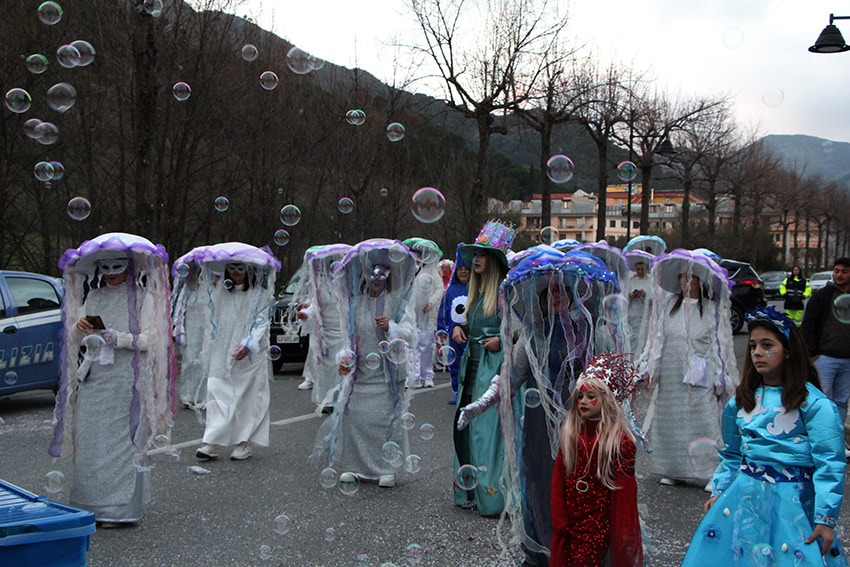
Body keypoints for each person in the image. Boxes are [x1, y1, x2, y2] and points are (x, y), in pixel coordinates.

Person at [460, 247, 635, 566]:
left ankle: (588, 552)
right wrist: (481, 404)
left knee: (587, 489)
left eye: (563, 289)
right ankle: (544, 549)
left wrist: (625, 425)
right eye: (549, 290)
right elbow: (510, 377)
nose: (556, 295)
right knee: (542, 485)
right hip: (541, 426)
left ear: (576, 293)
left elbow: (613, 380)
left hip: (586, 427)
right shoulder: (534, 335)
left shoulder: (592, 331)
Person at [681, 306, 847, 566]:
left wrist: (825, 518)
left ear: (789, 351)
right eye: (753, 345)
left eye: (767, 345)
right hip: (742, 498)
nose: (757, 352)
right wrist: (721, 488)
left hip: (792, 506)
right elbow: (733, 454)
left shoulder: (814, 404)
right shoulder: (740, 402)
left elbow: (830, 462)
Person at [50, 233, 174, 527]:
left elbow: (150, 340)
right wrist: (81, 329)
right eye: (106, 268)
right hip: (95, 377)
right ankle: (89, 505)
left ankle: (118, 510)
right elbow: (79, 339)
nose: (112, 275)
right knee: (92, 441)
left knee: (121, 443)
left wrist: (117, 337)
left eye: (118, 268)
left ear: (130, 268)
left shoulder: (145, 297)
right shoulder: (94, 296)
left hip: (127, 380)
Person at [310, 239, 417, 488]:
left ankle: (385, 467)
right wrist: (344, 359)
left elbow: (410, 332)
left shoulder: (397, 301)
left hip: (386, 372)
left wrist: (391, 326)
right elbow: (348, 339)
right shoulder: (355, 303)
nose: (376, 279)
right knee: (353, 415)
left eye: (382, 274)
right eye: (372, 274)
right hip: (361, 375)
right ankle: (354, 466)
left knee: (384, 418)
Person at [638, 249, 737, 489]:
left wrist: (720, 378)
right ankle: (673, 468)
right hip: (671, 372)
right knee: (670, 419)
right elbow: (657, 338)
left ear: (700, 281)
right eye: (682, 277)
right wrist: (650, 366)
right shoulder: (670, 304)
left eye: (690, 277)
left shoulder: (712, 308)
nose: (685, 282)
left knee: (702, 420)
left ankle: (709, 471)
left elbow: (718, 344)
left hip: (699, 371)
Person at [550, 353, 643, 567]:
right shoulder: (571, 435)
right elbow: (558, 479)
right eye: (579, 398)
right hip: (570, 520)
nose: (583, 402)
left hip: (597, 525)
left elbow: (625, 495)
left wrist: (621, 533)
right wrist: (559, 517)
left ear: (605, 399)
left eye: (590, 396)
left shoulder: (618, 442)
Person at [195, 243, 279, 462]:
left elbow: (261, 322)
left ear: (249, 271)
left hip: (248, 355)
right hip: (222, 351)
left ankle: (244, 442)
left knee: (245, 397)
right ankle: (210, 441)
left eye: (240, 269)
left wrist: (248, 343)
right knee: (215, 390)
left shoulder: (260, 295)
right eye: (231, 269)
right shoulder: (220, 293)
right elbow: (212, 320)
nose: (235, 273)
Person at [452, 220, 514, 516]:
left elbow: (521, 331)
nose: (476, 260)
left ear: (495, 261)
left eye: (483, 255)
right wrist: (458, 329)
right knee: (464, 428)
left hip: (492, 372)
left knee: (486, 432)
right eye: (474, 254)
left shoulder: (505, 292)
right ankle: (469, 490)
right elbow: (471, 322)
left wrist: (500, 340)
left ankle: (491, 496)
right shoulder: (474, 293)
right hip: (471, 371)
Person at [295, 244, 351, 411]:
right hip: (325, 332)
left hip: (343, 331)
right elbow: (315, 306)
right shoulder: (319, 284)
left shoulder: (348, 283)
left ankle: (343, 399)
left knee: (341, 365)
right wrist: (306, 314)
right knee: (325, 368)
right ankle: (327, 400)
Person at [801, 257, 850, 426]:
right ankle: (822, 436)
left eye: (844, 271)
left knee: (842, 401)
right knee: (822, 399)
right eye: (837, 271)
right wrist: (813, 353)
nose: (840, 275)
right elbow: (808, 324)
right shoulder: (823, 296)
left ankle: (837, 436)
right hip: (825, 358)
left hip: (847, 360)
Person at [171, 249, 211, 408]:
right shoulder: (188, 289)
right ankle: (188, 394)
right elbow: (179, 310)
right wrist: (179, 329)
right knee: (190, 360)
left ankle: (204, 395)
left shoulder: (212, 290)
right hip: (192, 330)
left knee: (206, 360)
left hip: (208, 331)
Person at [403, 238, 444, 389]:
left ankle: (427, 375)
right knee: (411, 345)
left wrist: (432, 302)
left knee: (426, 346)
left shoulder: (431, 272)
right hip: (410, 315)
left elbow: (439, 289)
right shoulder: (409, 271)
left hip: (426, 316)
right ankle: (413, 376)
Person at [437, 245, 470, 404]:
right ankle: (457, 391)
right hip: (454, 334)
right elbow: (444, 310)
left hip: (471, 333)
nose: (463, 272)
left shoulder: (475, 288)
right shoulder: (451, 290)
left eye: (466, 269)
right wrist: (442, 328)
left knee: (471, 364)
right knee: (455, 363)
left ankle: (471, 392)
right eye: (460, 269)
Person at [623, 250, 654, 362]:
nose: (640, 272)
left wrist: (645, 294)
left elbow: (655, 298)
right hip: (632, 314)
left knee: (644, 339)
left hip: (644, 316)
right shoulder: (630, 281)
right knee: (632, 340)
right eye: (638, 269)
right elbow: (624, 297)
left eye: (643, 269)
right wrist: (631, 295)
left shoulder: (650, 281)